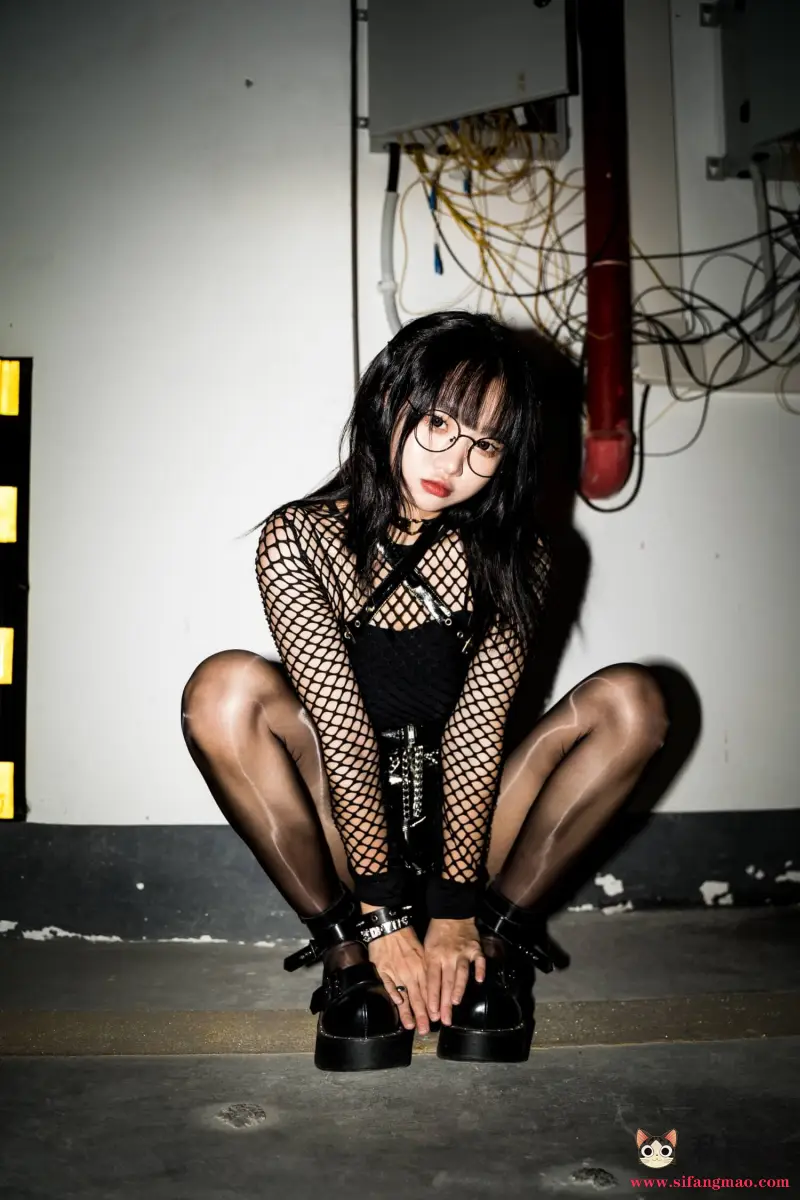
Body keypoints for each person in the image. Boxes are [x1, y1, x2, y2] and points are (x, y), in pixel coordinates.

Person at [181, 311, 668, 1073]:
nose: (456, 461)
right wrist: (381, 921)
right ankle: (346, 957)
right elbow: (341, 735)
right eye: (439, 423)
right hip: (346, 824)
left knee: (633, 701)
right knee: (223, 688)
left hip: (472, 827)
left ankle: (493, 947)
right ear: (388, 401)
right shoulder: (299, 539)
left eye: (486, 445)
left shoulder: (515, 555)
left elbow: (478, 737)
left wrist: (454, 917)